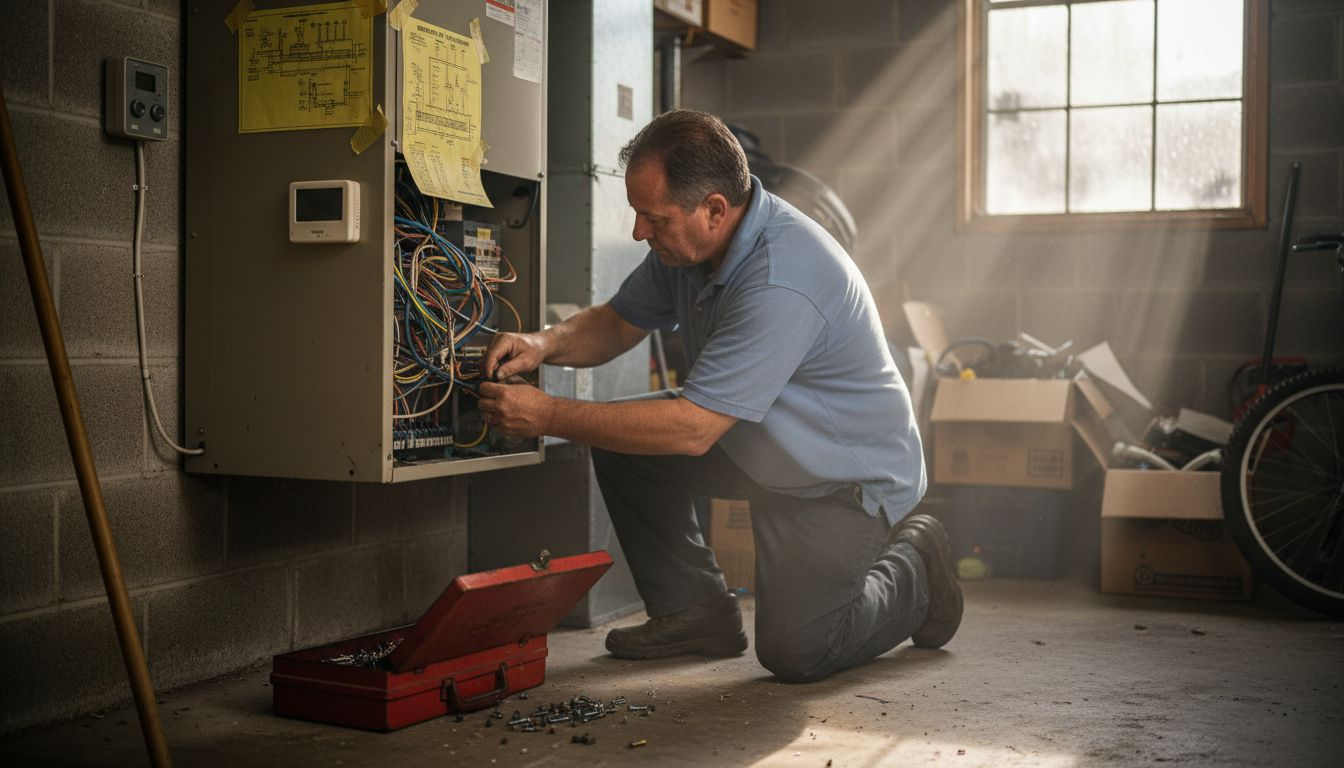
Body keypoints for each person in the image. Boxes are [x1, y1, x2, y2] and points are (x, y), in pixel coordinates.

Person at [478, 109, 961, 683]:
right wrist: (541, 344)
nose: (638, 232)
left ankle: (918, 564)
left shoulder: (781, 277)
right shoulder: (688, 250)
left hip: (840, 479)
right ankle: (694, 612)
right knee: (622, 437)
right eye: (638, 214)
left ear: (713, 209)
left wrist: (548, 415)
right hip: (764, 443)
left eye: (653, 218)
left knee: (800, 651)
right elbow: (618, 321)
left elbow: (693, 429)